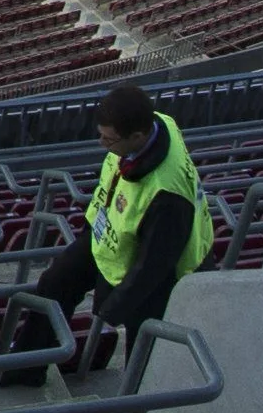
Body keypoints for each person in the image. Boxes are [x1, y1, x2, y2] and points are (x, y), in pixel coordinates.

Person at [42, 81, 216, 368]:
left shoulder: (167, 197)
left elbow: (152, 267)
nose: (102, 145)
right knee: (54, 282)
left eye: (109, 140)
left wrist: (111, 308)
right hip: (111, 234)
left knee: (141, 342)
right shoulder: (157, 123)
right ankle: (24, 369)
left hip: (160, 270)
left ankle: (132, 405)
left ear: (136, 136)